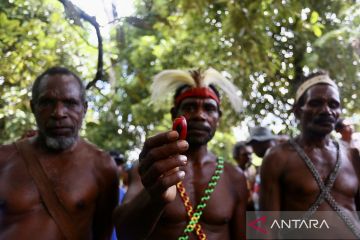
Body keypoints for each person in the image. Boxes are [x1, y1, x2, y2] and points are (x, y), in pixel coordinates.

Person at [114, 68, 248, 240]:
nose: (200, 115)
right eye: (190, 107)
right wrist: (154, 197)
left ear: (218, 118)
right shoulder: (150, 170)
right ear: (174, 114)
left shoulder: (234, 177)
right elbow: (125, 233)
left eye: (209, 108)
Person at [0, 67, 119, 239]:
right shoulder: (4, 159)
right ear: (33, 107)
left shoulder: (103, 167)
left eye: (70, 103)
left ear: (84, 108)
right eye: (47, 103)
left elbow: (103, 234)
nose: (59, 113)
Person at [260, 71, 360, 239]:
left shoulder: (352, 155)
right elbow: (267, 228)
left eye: (334, 105)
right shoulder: (277, 158)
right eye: (316, 103)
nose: (326, 110)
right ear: (298, 111)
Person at [233, 141, 256, 211]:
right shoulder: (233, 174)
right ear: (236, 157)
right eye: (245, 155)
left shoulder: (253, 170)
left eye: (250, 154)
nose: (249, 157)